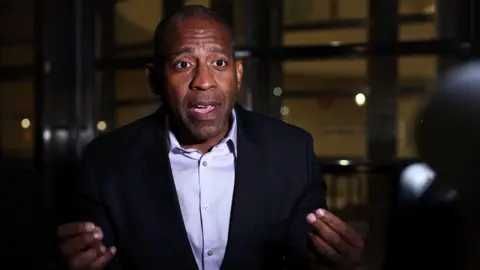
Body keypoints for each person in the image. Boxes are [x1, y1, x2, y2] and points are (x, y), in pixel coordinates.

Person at [56, 5, 364, 270]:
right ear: (154, 79)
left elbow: (304, 258)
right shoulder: (106, 161)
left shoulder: (292, 151)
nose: (203, 81)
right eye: (183, 64)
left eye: (219, 63)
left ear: (238, 74)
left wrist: (333, 262)